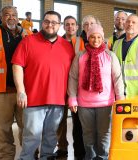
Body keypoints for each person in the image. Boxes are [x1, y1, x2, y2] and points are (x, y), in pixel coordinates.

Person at [12, 11, 75, 159]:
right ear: (42, 23)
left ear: (59, 25)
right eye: (47, 21)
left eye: (54, 22)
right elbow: (17, 66)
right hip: (34, 99)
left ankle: (46, 156)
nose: (50, 25)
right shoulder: (28, 41)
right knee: (32, 135)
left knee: (51, 135)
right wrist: (21, 91)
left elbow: (73, 74)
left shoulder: (67, 46)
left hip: (58, 100)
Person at [0, 6, 31, 160]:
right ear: (0, 17)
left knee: (29, 130)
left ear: (18, 17)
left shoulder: (27, 35)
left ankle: (28, 156)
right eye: (7, 15)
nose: (11, 18)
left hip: (24, 92)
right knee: (3, 133)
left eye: (14, 15)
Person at [68, 23, 125, 160]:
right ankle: (90, 157)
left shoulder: (110, 56)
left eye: (99, 37)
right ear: (88, 38)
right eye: (92, 37)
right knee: (88, 135)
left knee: (104, 135)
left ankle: (103, 157)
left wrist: (120, 99)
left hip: (106, 104)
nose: (96, 40)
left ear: (103, 37)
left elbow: (117, 79)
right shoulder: (80, 56)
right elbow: (73, 77)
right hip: (84, 104)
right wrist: (72, 99)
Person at [54, 15, 86, 159]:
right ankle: (62, 147)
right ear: (63, 26)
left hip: (76, 88)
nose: (70, 27)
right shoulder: (57, 42)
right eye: (67, 24)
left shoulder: (83, 42)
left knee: (77, 120)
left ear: (77, 27)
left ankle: (79, 148)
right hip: (60, 86)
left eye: (73, 24)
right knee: (59, 120)